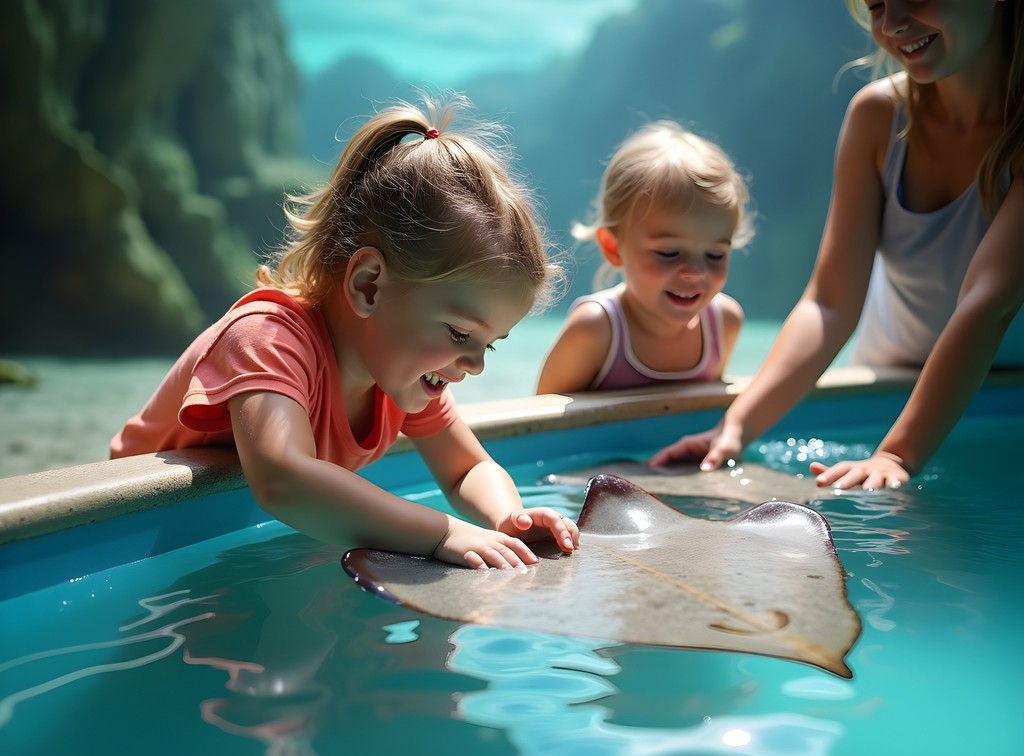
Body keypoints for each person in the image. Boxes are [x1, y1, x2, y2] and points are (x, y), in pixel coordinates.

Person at [111, 93, 579, 570]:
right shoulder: (267, 339)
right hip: (119, 540)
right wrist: (441, 531)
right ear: (369, 285)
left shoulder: (400, 371)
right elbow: (283, 479)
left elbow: (467, 470)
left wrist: (510, 519)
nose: (476, 364)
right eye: (461, 334)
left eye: (489, 344)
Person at [651, 0, 1024, 490]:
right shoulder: (877, 116)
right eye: (875, 5)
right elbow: (829, 303)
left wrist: (897, 455)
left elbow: (987, 303)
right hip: (887, 390)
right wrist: (736, 425)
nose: (891, 23)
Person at [535, 120, 754, 394]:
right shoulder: (595, 330)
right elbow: (541, 427)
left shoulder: (724, 322)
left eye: (715, 254)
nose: (695, 271)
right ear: (613, 248)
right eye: (669, 253)